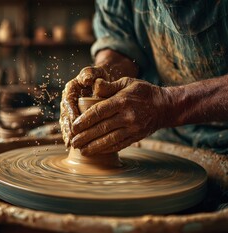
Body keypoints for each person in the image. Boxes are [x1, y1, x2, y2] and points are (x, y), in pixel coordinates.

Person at [60, 0, 228, 155]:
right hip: (161, 130)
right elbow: (119, 41)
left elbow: (163, 106)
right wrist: (105, 73)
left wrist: (166, 104)